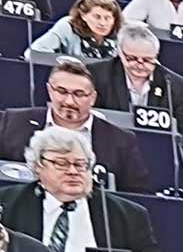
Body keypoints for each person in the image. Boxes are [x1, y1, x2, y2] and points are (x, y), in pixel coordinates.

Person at [2, 123, 160, 252]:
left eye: (80, 164)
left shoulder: (128, 215)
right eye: (61, 163)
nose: (73, 171)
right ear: (38, 166)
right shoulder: (6, 203)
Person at [0, 57, 152, 192]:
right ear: (49, 91)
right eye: (61, 91)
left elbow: (135, 194)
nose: (69, 101)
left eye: (79, 94)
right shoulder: (13, 122)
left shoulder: (121, 140)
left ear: (93, 98)